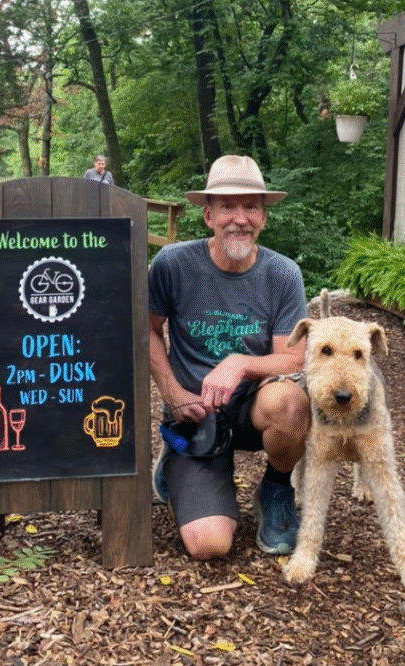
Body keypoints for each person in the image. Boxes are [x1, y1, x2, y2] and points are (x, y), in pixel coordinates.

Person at [149, 155, 310, 561]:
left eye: (251, 206)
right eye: (228, 207)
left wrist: (240, 362)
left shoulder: (283, 273)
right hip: (193, 414)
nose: (240, 218)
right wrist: (171, 391)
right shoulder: (173, 264)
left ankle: (276, 487)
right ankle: (172, 450)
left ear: (263, 218)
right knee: (210, 546)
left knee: (291, 402)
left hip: (252, 409)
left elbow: (293, 359)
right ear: (208, 216)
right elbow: (145, 328)